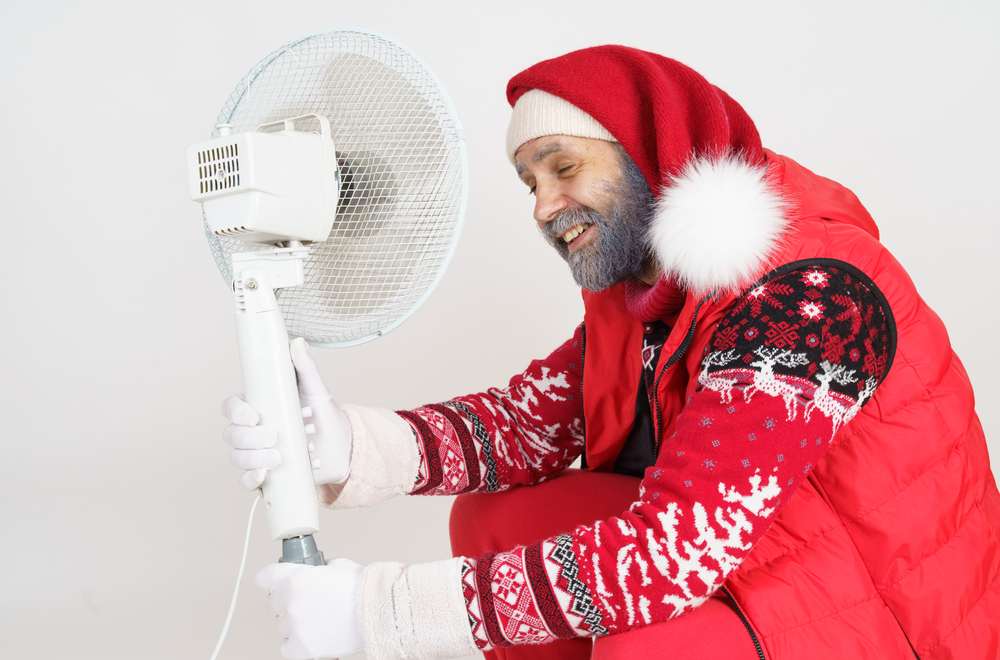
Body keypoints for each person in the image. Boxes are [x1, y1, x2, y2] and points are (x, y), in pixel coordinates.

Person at [223, 45, 1000, 659]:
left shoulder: (813, 294)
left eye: (564, 167)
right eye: (529, 183)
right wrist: (349, 444)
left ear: (649, 151)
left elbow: (674, 552)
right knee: (495, 518)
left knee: (652, 643)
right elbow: (528, 427)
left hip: (890, 617)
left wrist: (380, 612)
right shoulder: (650, 296)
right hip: (780, 552)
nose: (543, 206)